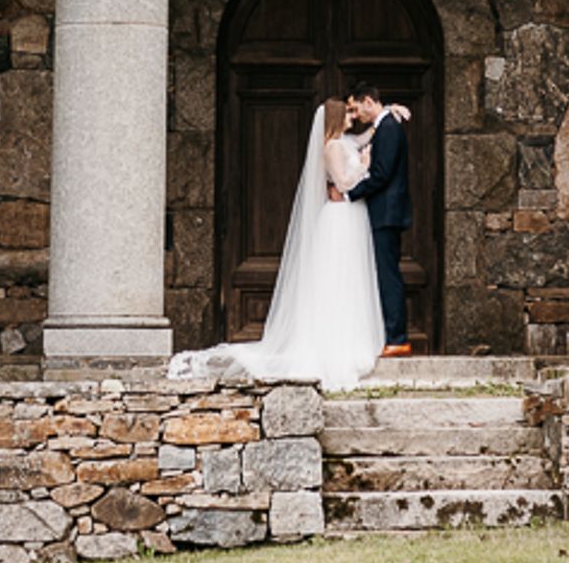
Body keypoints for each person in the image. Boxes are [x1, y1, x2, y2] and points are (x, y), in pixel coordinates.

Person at [162, 103, 385, 386]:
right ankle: (335, 346)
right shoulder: (332, 147)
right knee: (336, 277)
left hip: (350, 216)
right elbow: (342, 183)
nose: (354, 117)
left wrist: (386, 113)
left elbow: (363, 139)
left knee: (350, 277)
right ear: (336, 119)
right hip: (340, 218)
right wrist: (364, 167)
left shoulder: (345, 143)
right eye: (349, 113)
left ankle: (351, 338)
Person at [344, 90, 415, 358]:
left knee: (388, 275)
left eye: (356, 108)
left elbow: (382, 174)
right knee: (385, 273)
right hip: (386, 212)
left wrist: (350, 194)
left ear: (369, 101)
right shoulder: (383, 126)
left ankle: (397, 338)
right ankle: (391, 335)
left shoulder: (388, 128)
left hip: (386, 213)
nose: (356, 115)